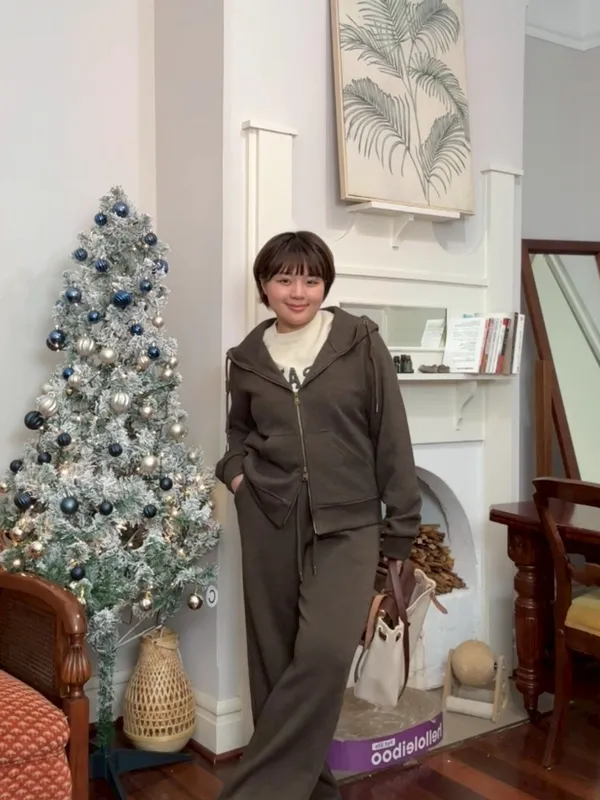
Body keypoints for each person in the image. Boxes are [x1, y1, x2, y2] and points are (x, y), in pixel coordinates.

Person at [215, 231, 421, 800]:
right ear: (264, 285)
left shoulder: (359, 342)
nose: (298, 291)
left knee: (324, 655)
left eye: (311, 279)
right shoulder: (247, 359)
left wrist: (400, 531)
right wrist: (236, 474)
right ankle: (314, 790)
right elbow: (238, 432)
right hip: (269, 518)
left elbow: (392, 437)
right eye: (284, 279)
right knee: (274, 661)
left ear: (325, 284)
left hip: (349, 524)